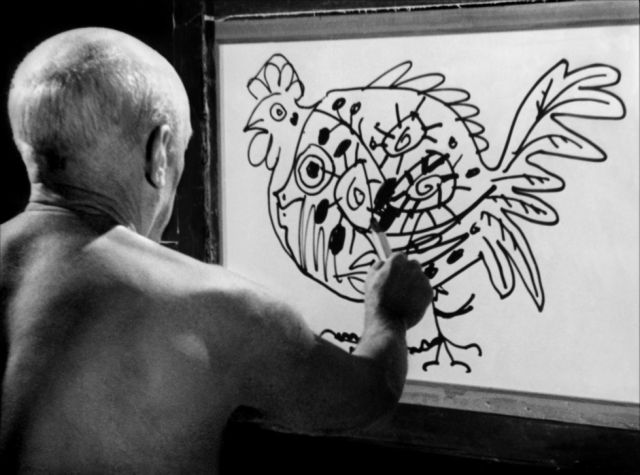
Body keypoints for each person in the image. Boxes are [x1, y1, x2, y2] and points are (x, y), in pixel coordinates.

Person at [0, 28, 432, 473]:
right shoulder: (214, 307)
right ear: (160, 152)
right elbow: (366, 394)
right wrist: (388, 316)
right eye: (182, 151)